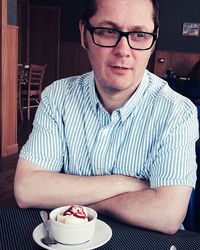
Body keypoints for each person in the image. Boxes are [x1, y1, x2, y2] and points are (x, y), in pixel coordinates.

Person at [14, 0, 199, 234]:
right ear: (84, 35)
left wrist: (79, 203)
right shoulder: (57, 97)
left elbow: (167, 215)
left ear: (153, 41)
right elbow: (26, 189)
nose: (123, 50)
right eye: (108, 32)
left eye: (139, 34)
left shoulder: (177, 112)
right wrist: (123, 184)